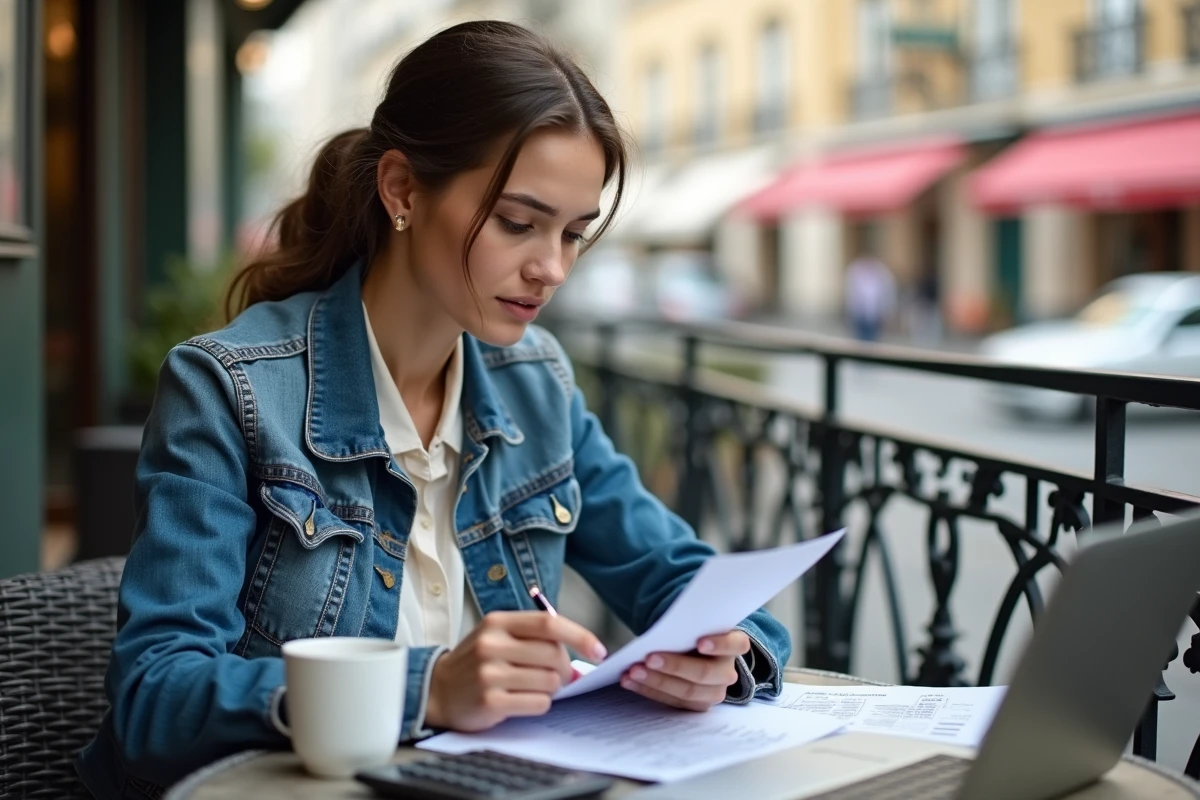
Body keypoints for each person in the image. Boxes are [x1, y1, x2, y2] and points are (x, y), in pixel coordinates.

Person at [75, 21, 789, 800]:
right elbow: (155, 699)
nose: (550, 267)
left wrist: (728, 647)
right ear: (403, 190)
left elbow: (683, 575)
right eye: (518, 222)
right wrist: (427, 689)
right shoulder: (228, 388)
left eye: (574, 233)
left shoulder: (534, 383)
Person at [844, 250, 896, 343]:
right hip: (860, 315)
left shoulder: (881, 271)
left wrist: (886, 312)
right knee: (860, 340)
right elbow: (851, 294)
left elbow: (887, 293)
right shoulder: (856, 270)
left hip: (875, 315)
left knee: (873, 341)